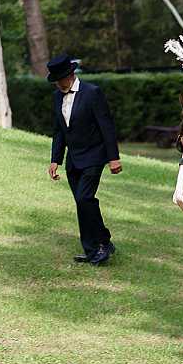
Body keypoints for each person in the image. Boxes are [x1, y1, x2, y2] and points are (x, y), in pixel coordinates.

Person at [46, 55, 122, 265]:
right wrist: (55, 160)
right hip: (73, 160)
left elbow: (106, 126)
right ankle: (93, 248)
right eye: (55, 80)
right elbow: (59, 131)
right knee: (83, 204)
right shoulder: (57, 97)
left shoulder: (92, 93)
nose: (58, 84)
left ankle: (102, 246)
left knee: (84, 199)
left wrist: (113, 158)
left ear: (70, 76)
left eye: (60, 79)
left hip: (94, 157)